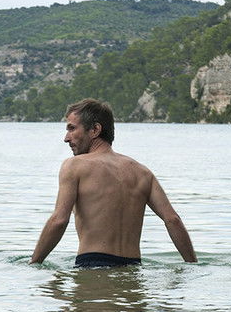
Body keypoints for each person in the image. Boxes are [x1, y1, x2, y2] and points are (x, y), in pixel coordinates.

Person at [30, 98, 197, 268]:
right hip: (133, 268)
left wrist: (34, 263)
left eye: (72, 128)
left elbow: (59, 220)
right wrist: (192, 265)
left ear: (95, 129)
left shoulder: (75, 166)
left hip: (92, 266)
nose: (66, 138)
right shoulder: (142, 172)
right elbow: (173, 220)